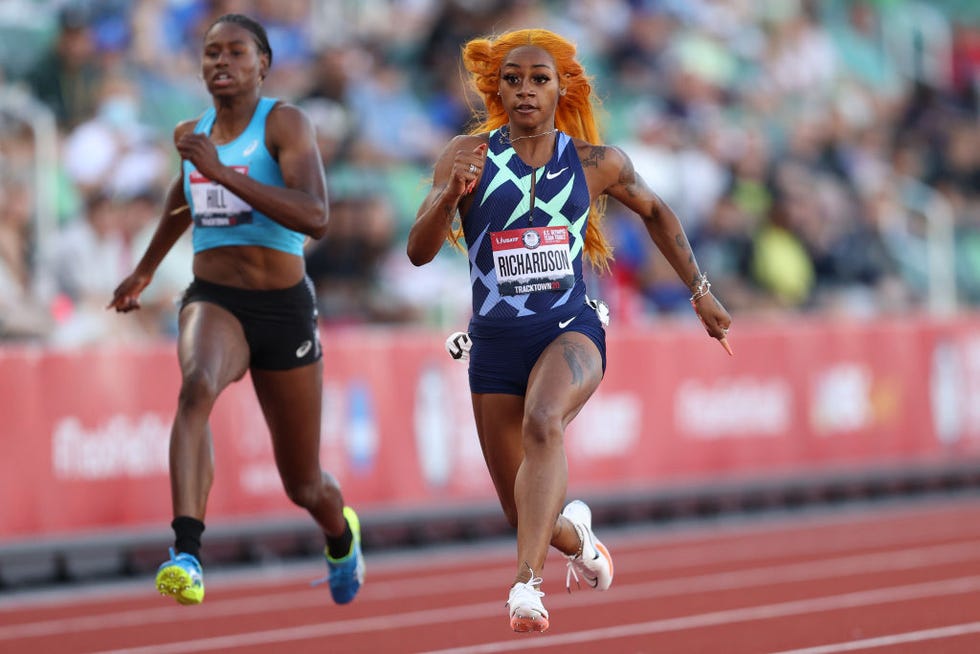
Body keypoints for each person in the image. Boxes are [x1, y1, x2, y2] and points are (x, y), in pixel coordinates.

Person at [407, 28, 732, 634]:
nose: (525, 90)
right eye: (513, 80)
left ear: (562, 88)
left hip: (570, 329)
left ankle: (526, 586)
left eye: (538, 79)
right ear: (497, 89)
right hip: (494, 343)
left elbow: (657, 212)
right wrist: (450, 194)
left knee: (544, 420)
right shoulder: (465, 155)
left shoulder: (595, 162)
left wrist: (700, 291)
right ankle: (575, 537)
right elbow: (419, 253)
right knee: (522, 509)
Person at [107, 13, 364, 607]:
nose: (220, 62)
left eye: (235, 52)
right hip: (214, 297)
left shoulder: (285, 123)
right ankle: (188, 552)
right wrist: (146, 269)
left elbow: (317, 217)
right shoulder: (190, 133)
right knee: (195, 386)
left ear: (263, 65)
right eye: (210, 53)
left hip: (284, 310)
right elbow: (183, 195)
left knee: (304, 483)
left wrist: (222, 170)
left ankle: (339, 533)